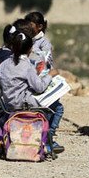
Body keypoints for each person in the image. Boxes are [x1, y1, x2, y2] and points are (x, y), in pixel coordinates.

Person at [25, 11, 65, 153]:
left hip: (42, 77)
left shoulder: (44, 43)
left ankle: (50, 134)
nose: (28, 28)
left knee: (55, 105)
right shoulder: (27, 40)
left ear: (40, 26)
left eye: (31, 25)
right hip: (34, 81)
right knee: (55, 108)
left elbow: (47, 62)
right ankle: (48, 138)